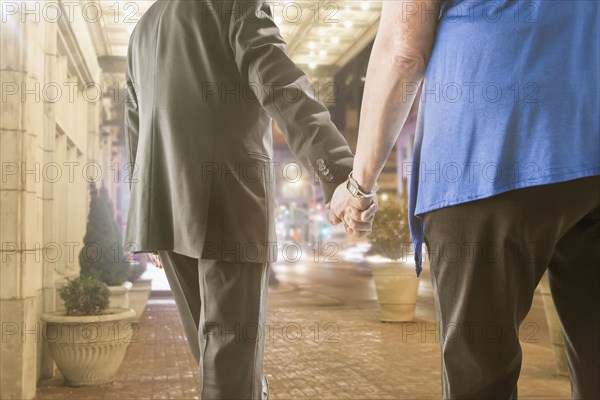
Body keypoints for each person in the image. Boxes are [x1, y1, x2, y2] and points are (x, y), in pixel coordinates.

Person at [333, 0, 600, 398]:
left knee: (480, 378)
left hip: (484, 156)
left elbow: (403, 50)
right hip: (588, 150)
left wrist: (359, 184)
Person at [123, 0, 375, 399]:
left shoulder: (143, 29)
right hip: (227, 205)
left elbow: (135, 131)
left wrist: (146, 219)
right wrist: (339, 171)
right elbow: (282, 87)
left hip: (164, 216)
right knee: (227, 371)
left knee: (218, 364)